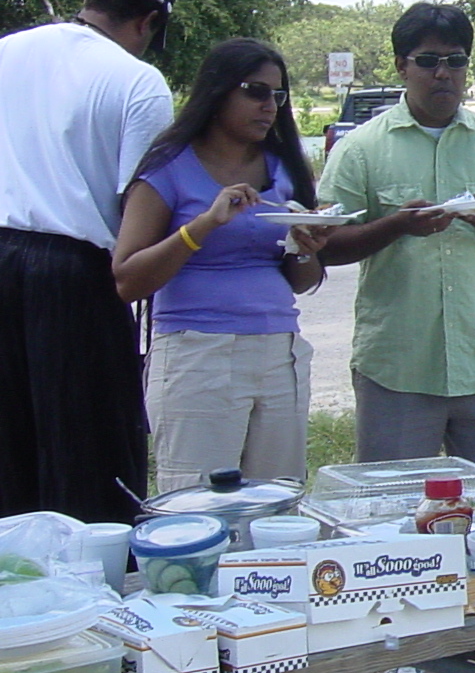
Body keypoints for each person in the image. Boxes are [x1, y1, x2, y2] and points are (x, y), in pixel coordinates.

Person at [317, 3, 475, 673]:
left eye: (455, 60)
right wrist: (396, 225)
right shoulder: (362, 149)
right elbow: (326, 245)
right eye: (428, 60)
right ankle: (401, 647)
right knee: (397, 515)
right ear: (401, 67)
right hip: (400, 360)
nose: (443, 73)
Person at [114, 39, 334, 489]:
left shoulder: (284, 169)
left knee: (276, 502)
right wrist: (203, 225)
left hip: (279, 351)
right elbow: (128, 280)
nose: (269, 105)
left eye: (278, 94)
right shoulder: (168, 169)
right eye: (255, 91)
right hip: (199, 353)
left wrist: (307, 246)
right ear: (217, 93)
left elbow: (301, 280)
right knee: (197, 503)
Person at [0, 0, 174, 523]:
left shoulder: (9, 51)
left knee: (13, 445)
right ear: (149, 22)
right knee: (90, 446)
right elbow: (137, 206)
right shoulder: (137, 81)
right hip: (74, 269)